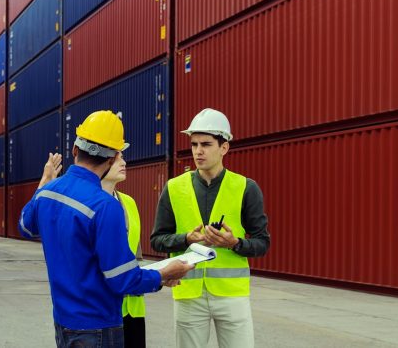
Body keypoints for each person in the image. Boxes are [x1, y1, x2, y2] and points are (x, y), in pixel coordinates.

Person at [20, 110, 194, 347]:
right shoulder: (105, 206)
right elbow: (122, 280)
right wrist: (165, 274)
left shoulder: (48, 192)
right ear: (112, 159)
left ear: (74, 150)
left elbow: (25, 226)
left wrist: (44, 182)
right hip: (98, 327)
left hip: (63, 323)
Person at [150, 108, 271, 348]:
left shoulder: (246, 188)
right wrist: (185, 239)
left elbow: (262, 243)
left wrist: (234, 243)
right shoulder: (174, 188)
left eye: (206, 144)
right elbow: (157, 240)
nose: (198, 151)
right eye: (194, 144)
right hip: (188, 293)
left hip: (232, 295)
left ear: (224, 147)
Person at [100, 150, 147, 348]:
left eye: (123, 157)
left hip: (133, 310)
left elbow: (136, 257)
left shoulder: (130, 203)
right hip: (101, 311)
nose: (124, 162)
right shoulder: (87, 204)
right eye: (116, 158)